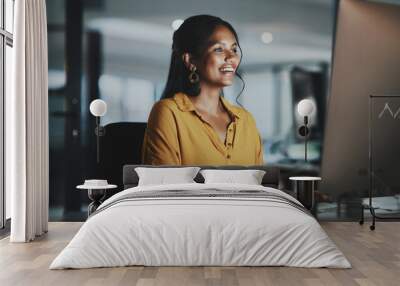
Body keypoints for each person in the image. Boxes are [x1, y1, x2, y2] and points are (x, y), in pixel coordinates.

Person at [142, 15, 263, 165]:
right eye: (219, 49)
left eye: (234, 49)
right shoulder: (168, 112)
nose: (231, 57)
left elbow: (261, 185)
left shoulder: (246, 121)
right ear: (191, 61)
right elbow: (166, 186)